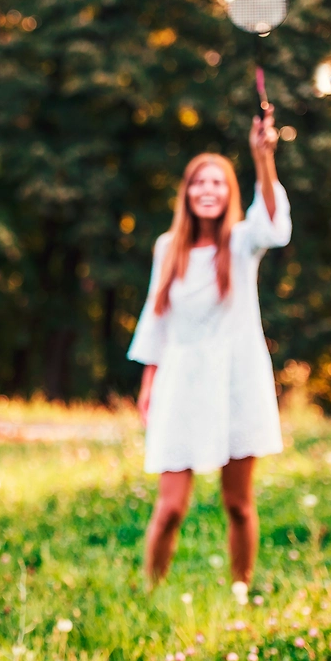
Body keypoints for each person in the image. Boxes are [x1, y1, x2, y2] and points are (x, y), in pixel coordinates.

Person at [128, 106, 290, 602]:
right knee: (171, 506)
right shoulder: (166, 248)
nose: (208, 190)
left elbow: (275, 228)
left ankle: (241, 590)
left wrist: (264, 158)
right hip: (181, 381)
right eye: (200, 182)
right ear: (187, 192)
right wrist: (148, 386)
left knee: (238, 503)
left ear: (229, 193)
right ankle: (150, 595)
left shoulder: (242, 244)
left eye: (218, 183)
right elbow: (156, 321)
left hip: (237, 379)